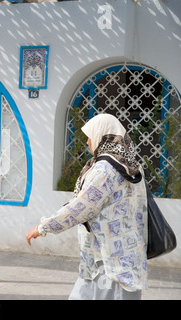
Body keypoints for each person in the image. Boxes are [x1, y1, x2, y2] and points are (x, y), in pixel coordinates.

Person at [26, 113, 148, 300]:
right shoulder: (131, 166)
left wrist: (43, 227)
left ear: (102, 135)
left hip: (106, 260)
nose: (88, 142)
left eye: (90, 136)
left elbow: (80, 208)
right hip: (127, 255)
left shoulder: (105, 169)